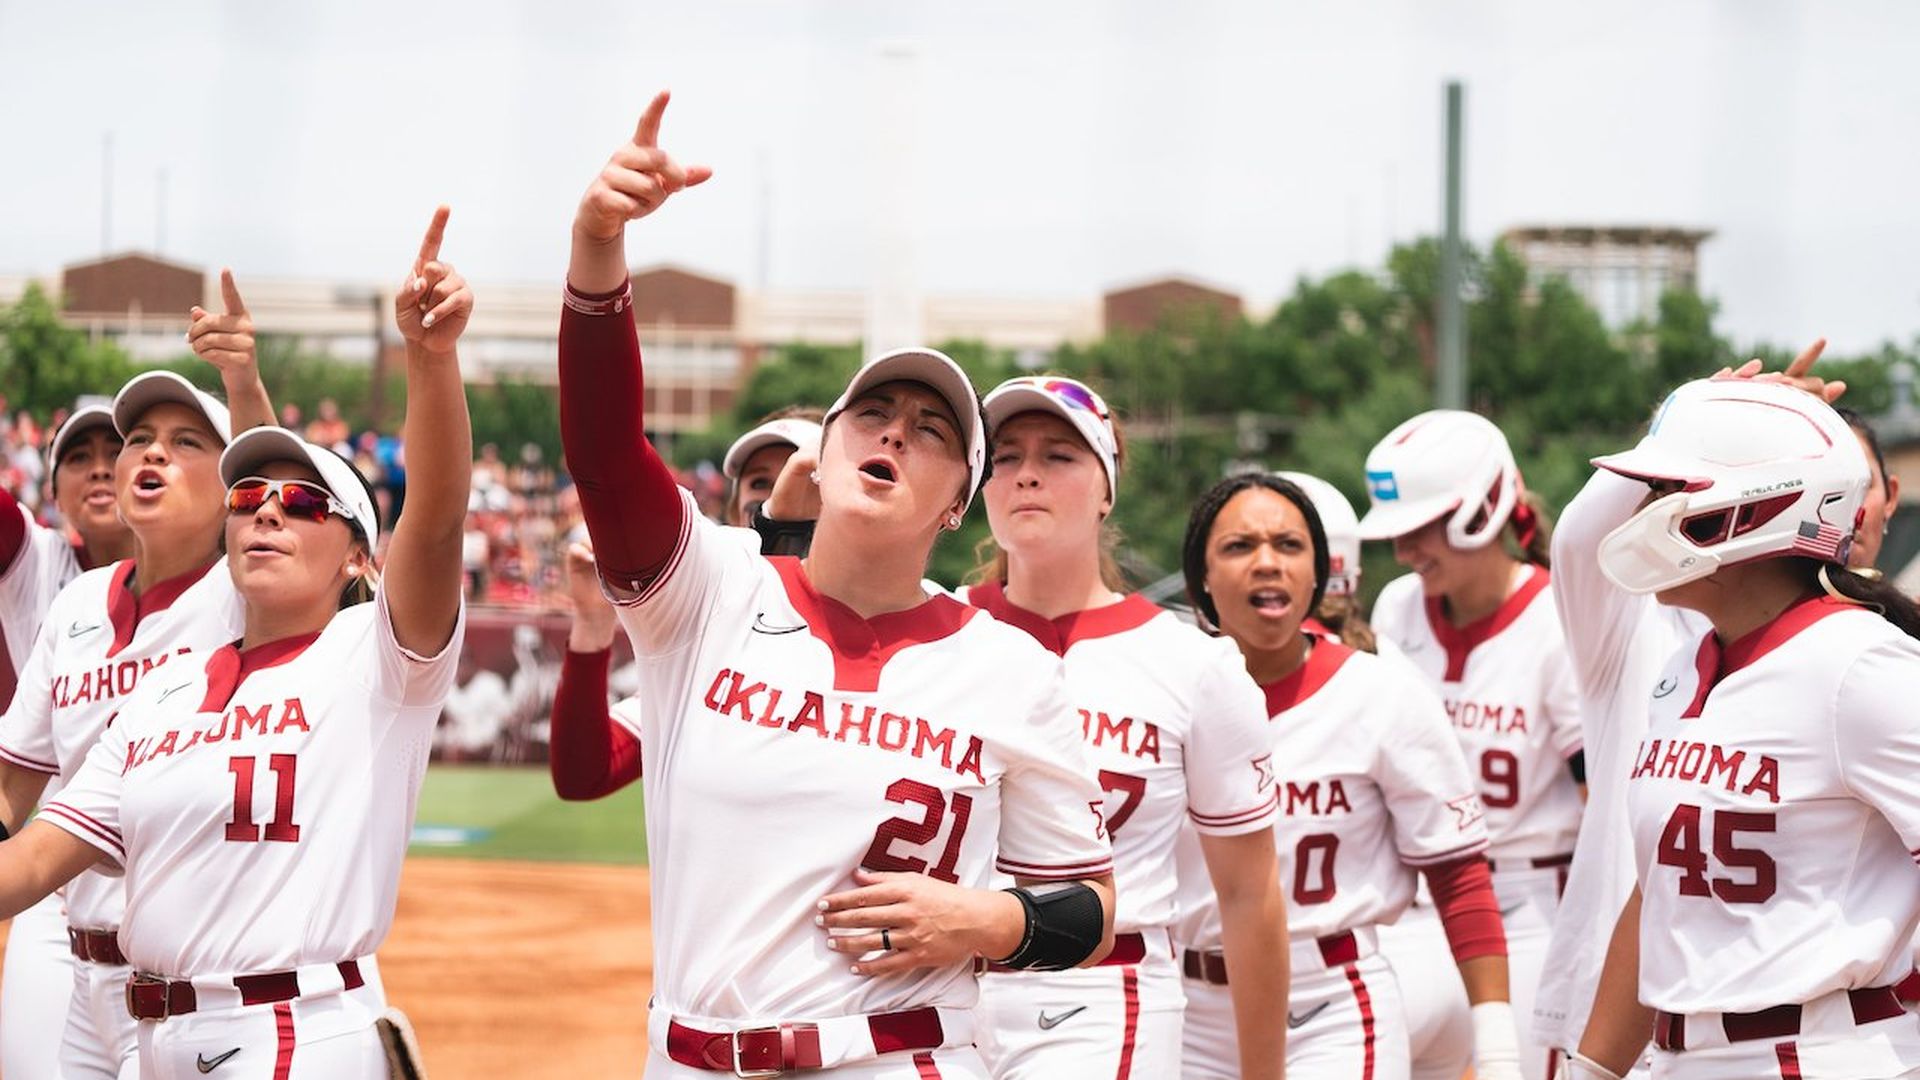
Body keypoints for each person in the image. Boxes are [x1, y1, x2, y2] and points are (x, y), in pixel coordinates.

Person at [557, 93, 1117, 1078]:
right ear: (825, 450)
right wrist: (599, 250)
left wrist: (989, 918)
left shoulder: (1006, 669)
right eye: (874, 412)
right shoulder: (711, 589)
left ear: (957, 505)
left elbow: (1089, 909)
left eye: (933, 429)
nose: (896, 431)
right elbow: (606, 454)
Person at [0, 206, 471, 1078]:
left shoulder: (374, 659)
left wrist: (430, 359)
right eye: (247, 496)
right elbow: (32, 858)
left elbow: (437, 524)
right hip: (150, 1035)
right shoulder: (161, 693)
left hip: (295, 1029)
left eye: (300, 503)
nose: (265, 509)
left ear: (361, 557)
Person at [1570, 373, 1920, 1080]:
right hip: (1676, 1057)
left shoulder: (1863, 667)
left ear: (1757, 509)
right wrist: (1592, 1071)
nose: (1646, 512)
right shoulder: (1682, 664)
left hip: (1817, 1052)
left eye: (1671, 493)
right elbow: (1662, 898)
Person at [960, 376, 1287, 1080]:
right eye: (1006, 456)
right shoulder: (933, 631)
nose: (1027, 475)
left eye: (1059, 455)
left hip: (1106, 991)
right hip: (942, 983)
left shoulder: (1194, 665)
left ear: (1106, 488)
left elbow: (1248, 894)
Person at [0, 268, 275, 1079]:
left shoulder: (247, 594)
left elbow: (283, 488)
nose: (150, 450)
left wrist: (243, 383)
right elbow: (16, 782)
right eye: (137, 441)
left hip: (193, 969)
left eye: (187, 441)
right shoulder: (77, 601)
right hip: (70, 948)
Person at [1175, 471, 1519, 1079]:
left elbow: (1458, 873)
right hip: (1186, 1003)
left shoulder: (1380, 687)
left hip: (1328, 999)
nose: (1267, 563)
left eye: (1288, 545)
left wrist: (1496, 1050)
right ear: (1201, 575)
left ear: (1317, 573)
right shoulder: (1165, 686)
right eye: (1238, 546)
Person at [1357, 410, 1582, 1080]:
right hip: (1415, 903)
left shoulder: (1558, 617)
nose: (1404, 551)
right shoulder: (1396, 607)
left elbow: (1603, 802)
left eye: (1420, 528)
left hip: (1530, 907)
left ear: (1481, 510)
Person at [0, 402, 131, 1080]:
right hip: (54, 883)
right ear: (51, 493)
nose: (102, 466)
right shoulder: (37, 561)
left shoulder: (217, 580)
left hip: (181, 883)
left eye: (118, 448)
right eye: (78, 457)